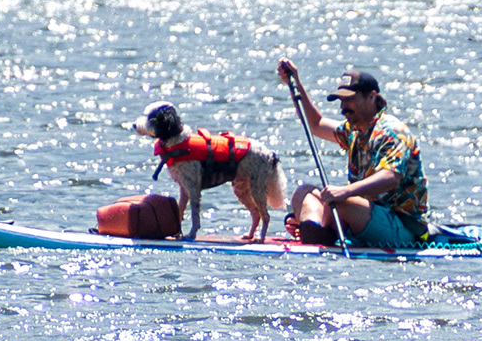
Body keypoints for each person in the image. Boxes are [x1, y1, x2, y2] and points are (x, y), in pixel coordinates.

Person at [276, 62, 430, 251]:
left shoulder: (392, 131)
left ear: (372, 97)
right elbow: (316, 125)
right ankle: (312, 230)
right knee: (303, 192)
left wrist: (345, 192)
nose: (343, 107)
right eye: (341, 101)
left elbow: (390, 177)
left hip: (402, 226)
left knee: (341, 201)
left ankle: (322, 228)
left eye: (350, 100)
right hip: (364, 217)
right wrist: (295, 85)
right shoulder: (354, 131)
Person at [140, 102, 282, 242]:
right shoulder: (176, 152)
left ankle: (262, 230)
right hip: (244, 157)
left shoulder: (185, 153)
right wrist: (179, 217)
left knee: (257, 196)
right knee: (240, 193)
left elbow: (194, 194)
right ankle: (178, 226)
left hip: (251, 156)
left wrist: (193, 229)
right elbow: (185, 190)